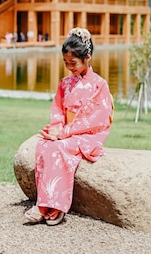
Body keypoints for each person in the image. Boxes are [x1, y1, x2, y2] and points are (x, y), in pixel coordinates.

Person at [24, 27, 113, 226]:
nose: (68, 67)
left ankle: (52, 207)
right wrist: (56, 129)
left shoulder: (99, 84)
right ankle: (47, 205)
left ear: (87, 57)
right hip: (66, 131)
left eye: (73, 63)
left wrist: (64, 133)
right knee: (44, 146)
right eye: (65, 62)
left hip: (87, 133)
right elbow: (57, 110)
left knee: (59, 148)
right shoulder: (64, 83)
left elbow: (97, 119)